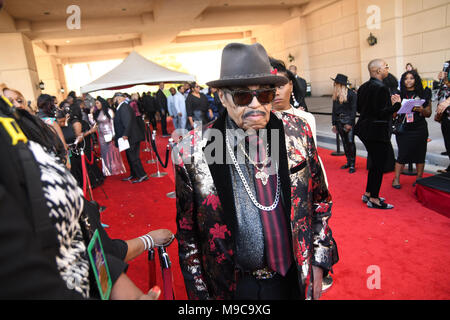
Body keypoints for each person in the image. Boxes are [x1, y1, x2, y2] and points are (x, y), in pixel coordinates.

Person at [175, 43, 337, 300]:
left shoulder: (297, 131)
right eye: (242, 96)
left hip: (292, 279)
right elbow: (188, 235)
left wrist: (318, 263)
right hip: (235, 287)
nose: (256, 105)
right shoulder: (192, 151)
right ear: (222, 97)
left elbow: (320, 201)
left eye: (264, 95)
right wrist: (201, 297)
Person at [0, 94, 172, 299]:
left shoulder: (15, 125)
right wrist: (147, 240)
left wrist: (128, 293)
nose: (17, 104)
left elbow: (84, 245)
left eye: (20, 99)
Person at [268, 57, 333, 291]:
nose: (276, 92)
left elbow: (313, 157)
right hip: (278, 190)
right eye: (270, 86)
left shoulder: (305, 119)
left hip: (307, 182)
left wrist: (321, 182)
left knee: (312, 227)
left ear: (291, 85)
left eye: (281, 84)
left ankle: (317, 269)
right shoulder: (262, 122)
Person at [354, 59, 401, 209]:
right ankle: (374, 198)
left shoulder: (363, 87)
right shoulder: (381, 88)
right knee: (378, 165)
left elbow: (360, 109)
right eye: (386, 66)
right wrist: (396, 106)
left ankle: (369, 193)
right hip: (376, 132)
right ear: (378, 71)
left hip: (365, 129)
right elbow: (381, 113)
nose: (388, 69)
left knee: (374, 163)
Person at [391, 71, 432, 188]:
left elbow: (428, 113)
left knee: (420, 154)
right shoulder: (398, 94)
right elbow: (393, 115)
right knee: (402, 154)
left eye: (411, 78)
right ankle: (396, 178)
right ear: (403, 81)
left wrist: (421, 110)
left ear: (416, 80)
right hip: (404, 129)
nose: (408, 81)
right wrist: (395, 105)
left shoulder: (424, 93)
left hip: (420, 128)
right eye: (406, 78)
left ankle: (419, 178)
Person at [67, 100, 104, 189]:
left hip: (85, 145)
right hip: (82, 146)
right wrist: (90, 131)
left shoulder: (74, 121)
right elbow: (78, 137)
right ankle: (90, 181)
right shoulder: (76, 122)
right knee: (86, 164)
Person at [112, 92, 147, 184]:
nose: (113, 102)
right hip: (129, 136)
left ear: (119, 99)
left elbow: (127, 122)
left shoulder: (124, 108)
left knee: (134, 157)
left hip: (131, 137)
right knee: (129, 157)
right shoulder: (122, 107)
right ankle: (134, 174)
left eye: (114, 100)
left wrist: (125, 135)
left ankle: (142, 175)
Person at [92, 97, 126, 176]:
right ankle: (107, 170)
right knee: (104, 152)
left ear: (102, 103)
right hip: (101, 135)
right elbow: (93, 124)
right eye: (95, 103)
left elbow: (113, 123)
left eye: (97, 103)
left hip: (110, 134)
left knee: (112, 151)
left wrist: (114, 135)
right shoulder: (97, 112)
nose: (96, 105)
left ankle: (116, 169)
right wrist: (91, 114)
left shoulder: (109, 111)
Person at [331, 74, 357, 173]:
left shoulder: (351, 94)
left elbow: (353, 110)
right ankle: (348, 162)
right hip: (338, 122)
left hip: (348, 121)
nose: (334, 84)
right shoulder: (336, 95)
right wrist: (333, 123)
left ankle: (353, 165)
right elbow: (334, 110)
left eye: (335, 83)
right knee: (345, 143)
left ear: (340, 84)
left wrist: (350, 123)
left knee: (350, 142)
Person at [435, 62, 450, 172]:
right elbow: (439, 95)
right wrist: (442, 81)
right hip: (446, 116)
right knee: (448, 142)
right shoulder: (444, 82)